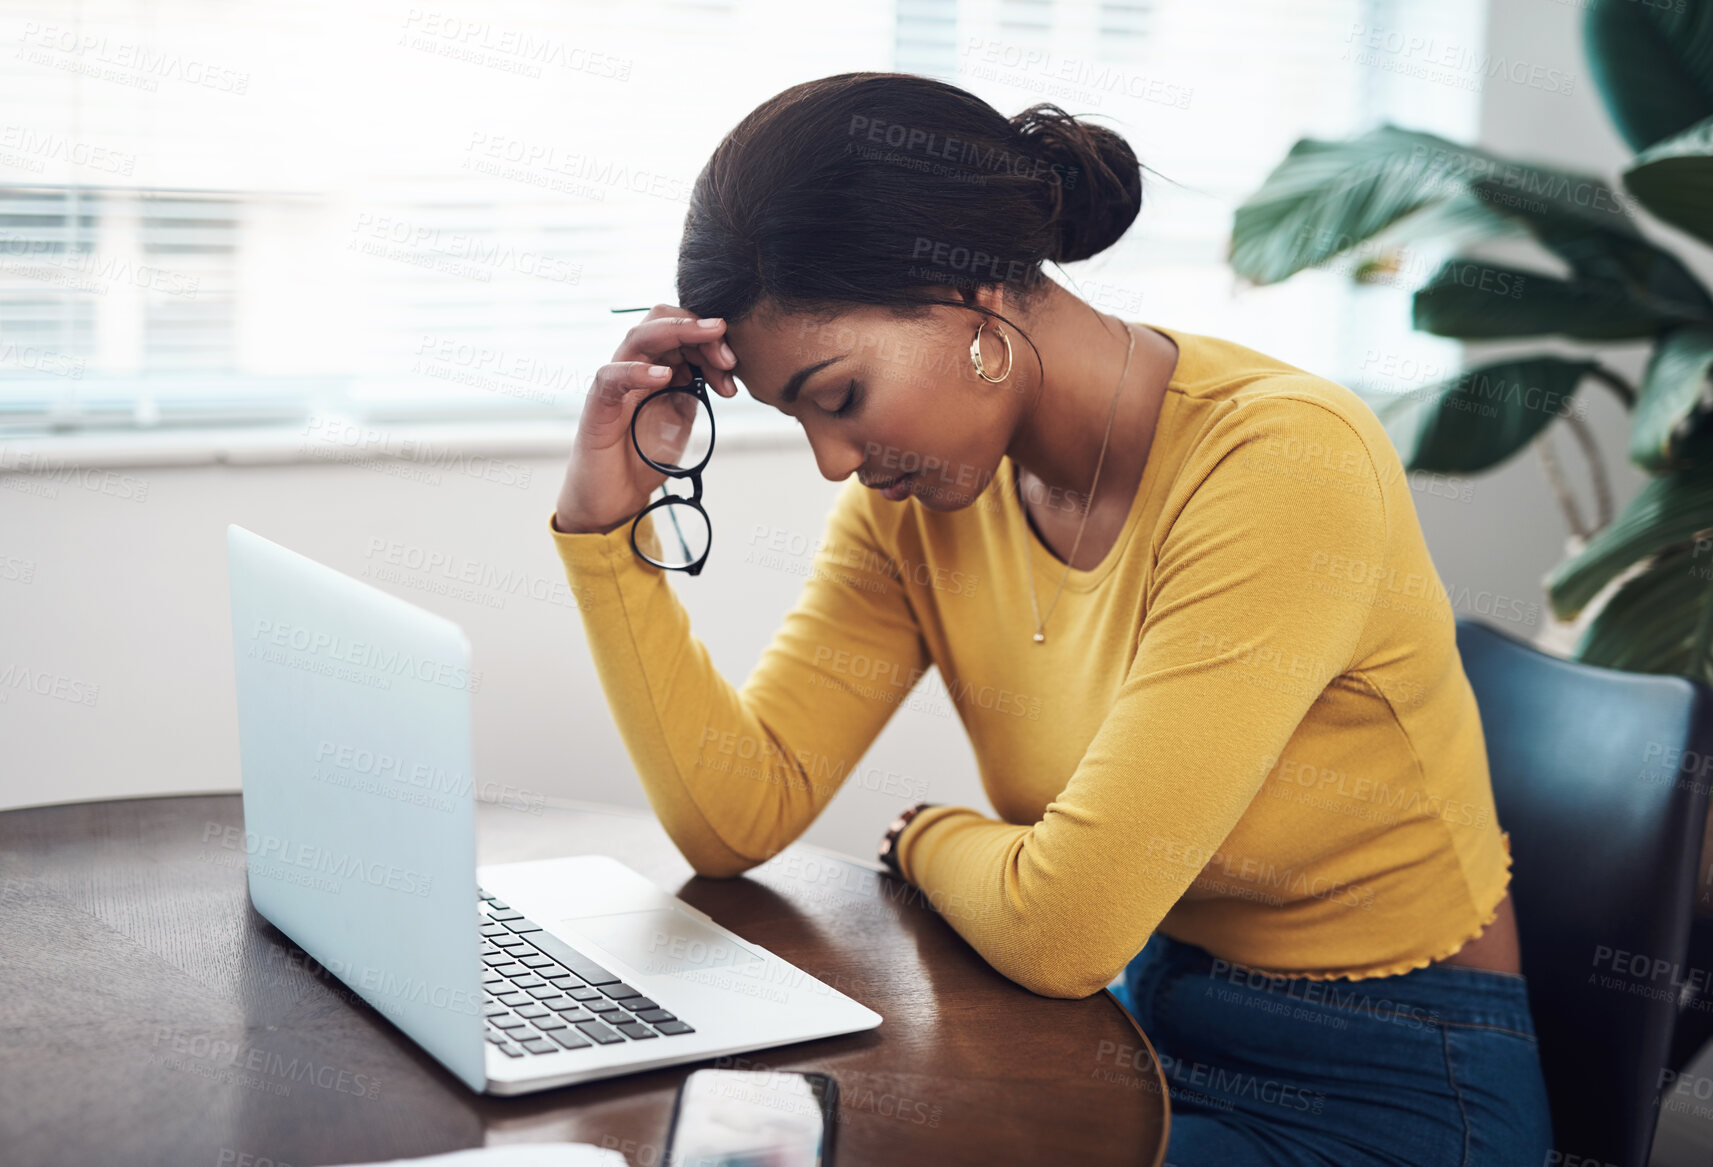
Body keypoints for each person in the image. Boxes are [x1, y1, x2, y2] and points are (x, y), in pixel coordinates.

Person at [547, 72, 1554, 1165]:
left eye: (839, 397)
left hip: (1388, 1084)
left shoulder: (1280, 462)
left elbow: (1063, 929)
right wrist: (607, 538)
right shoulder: (921, 505)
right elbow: (733, 818)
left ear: (975, 300)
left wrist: (925, 838)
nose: (835, 458)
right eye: (801, 417)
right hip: (1136, 1027)